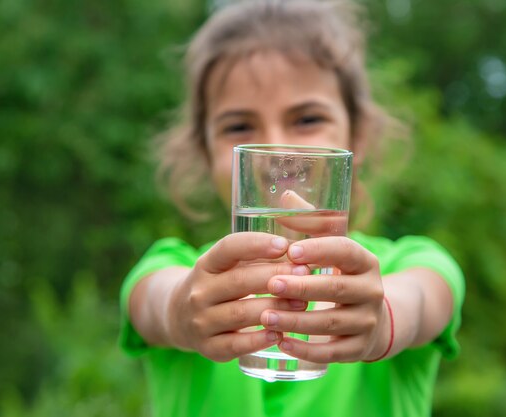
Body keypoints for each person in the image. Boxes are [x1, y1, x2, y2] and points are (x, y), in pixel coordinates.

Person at [119, 1, 465, 416]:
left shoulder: (413, 263)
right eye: (239, 127)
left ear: (358, 135)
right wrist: (181, 314)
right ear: (202, 149)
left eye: (306, 119)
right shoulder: (175, 271)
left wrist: (384, 320)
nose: (276, 150)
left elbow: (423, 300)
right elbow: (152, 302)